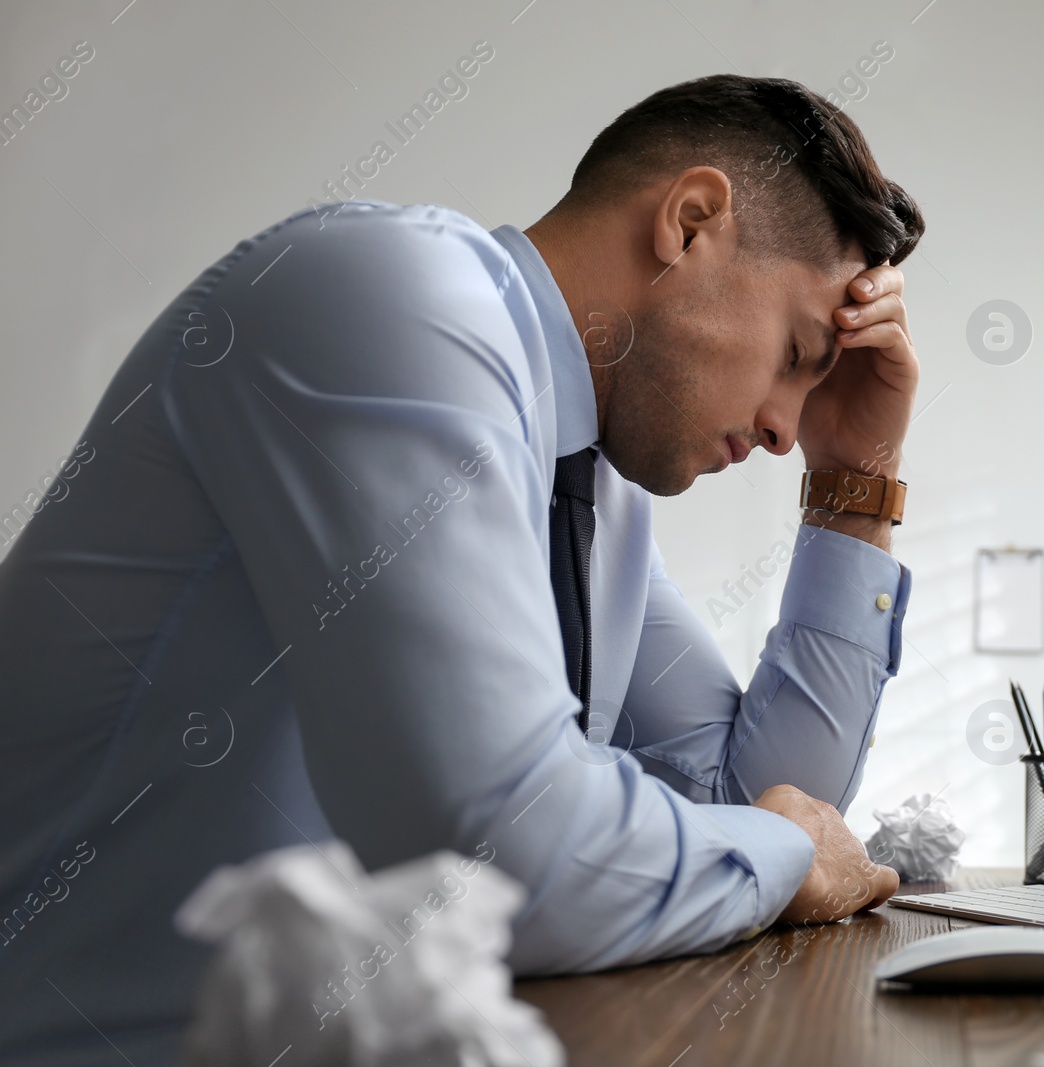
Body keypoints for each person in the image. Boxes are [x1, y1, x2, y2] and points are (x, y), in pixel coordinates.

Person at [0, 73, 924, 1064]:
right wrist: (781, 857)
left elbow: (760, 798)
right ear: (691, 222)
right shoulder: (389, 294)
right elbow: (498, 849)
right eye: (793, 353)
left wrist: (852, 481)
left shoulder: (594, 488)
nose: (787, 427)